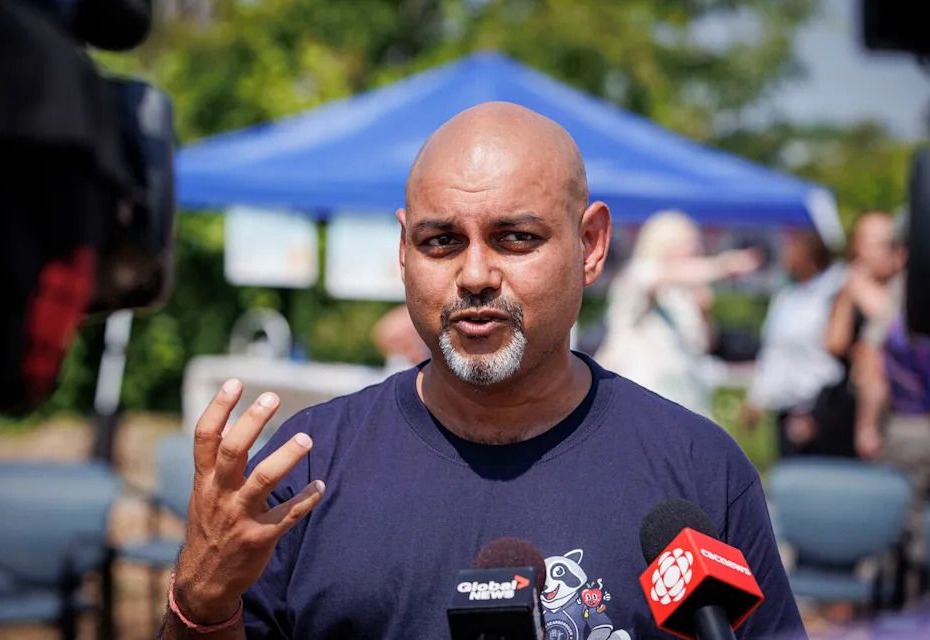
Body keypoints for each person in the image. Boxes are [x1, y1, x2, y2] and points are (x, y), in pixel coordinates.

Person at [162, 102, 805, 640]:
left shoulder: (696, 473)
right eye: (440, 241)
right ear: (403, 251)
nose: (474, 276)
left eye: (515, 238)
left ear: (591, 246)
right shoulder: (305, 471)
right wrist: (200, 603)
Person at [594, 211, 760, 416]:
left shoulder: (687, 293)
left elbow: (705, 346)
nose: (697, 250)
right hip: (642, 392)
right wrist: (723, 266)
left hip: (685, 394)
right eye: (689, 243)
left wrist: (705, 313)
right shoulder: (639, 273)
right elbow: (658, 276)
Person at [742, 229, 844, 457]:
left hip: (820, 405)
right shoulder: (787, 297)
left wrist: (810, 412)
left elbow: (826, 355)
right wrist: (758, 397)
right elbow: (774, 351)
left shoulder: (833, 292)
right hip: (787, 406)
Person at [815, 211, 903, 457]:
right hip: (850, 400)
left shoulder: (902, 287)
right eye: (875, 244)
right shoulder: (848, 286)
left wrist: (863, 291)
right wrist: (848, 295)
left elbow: (893, 326)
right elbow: (833, 343)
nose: (883, 251)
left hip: (895, 405)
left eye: (889, 243)